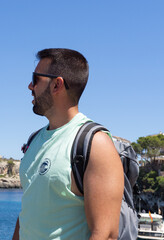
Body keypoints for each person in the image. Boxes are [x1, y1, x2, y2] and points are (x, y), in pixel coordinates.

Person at [12, 48, 124, 240]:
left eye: (36, 79)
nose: (30, 86)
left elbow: (105, 234)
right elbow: (29, 212)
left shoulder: (95, 143)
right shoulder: (34, 140)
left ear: (57, 85)